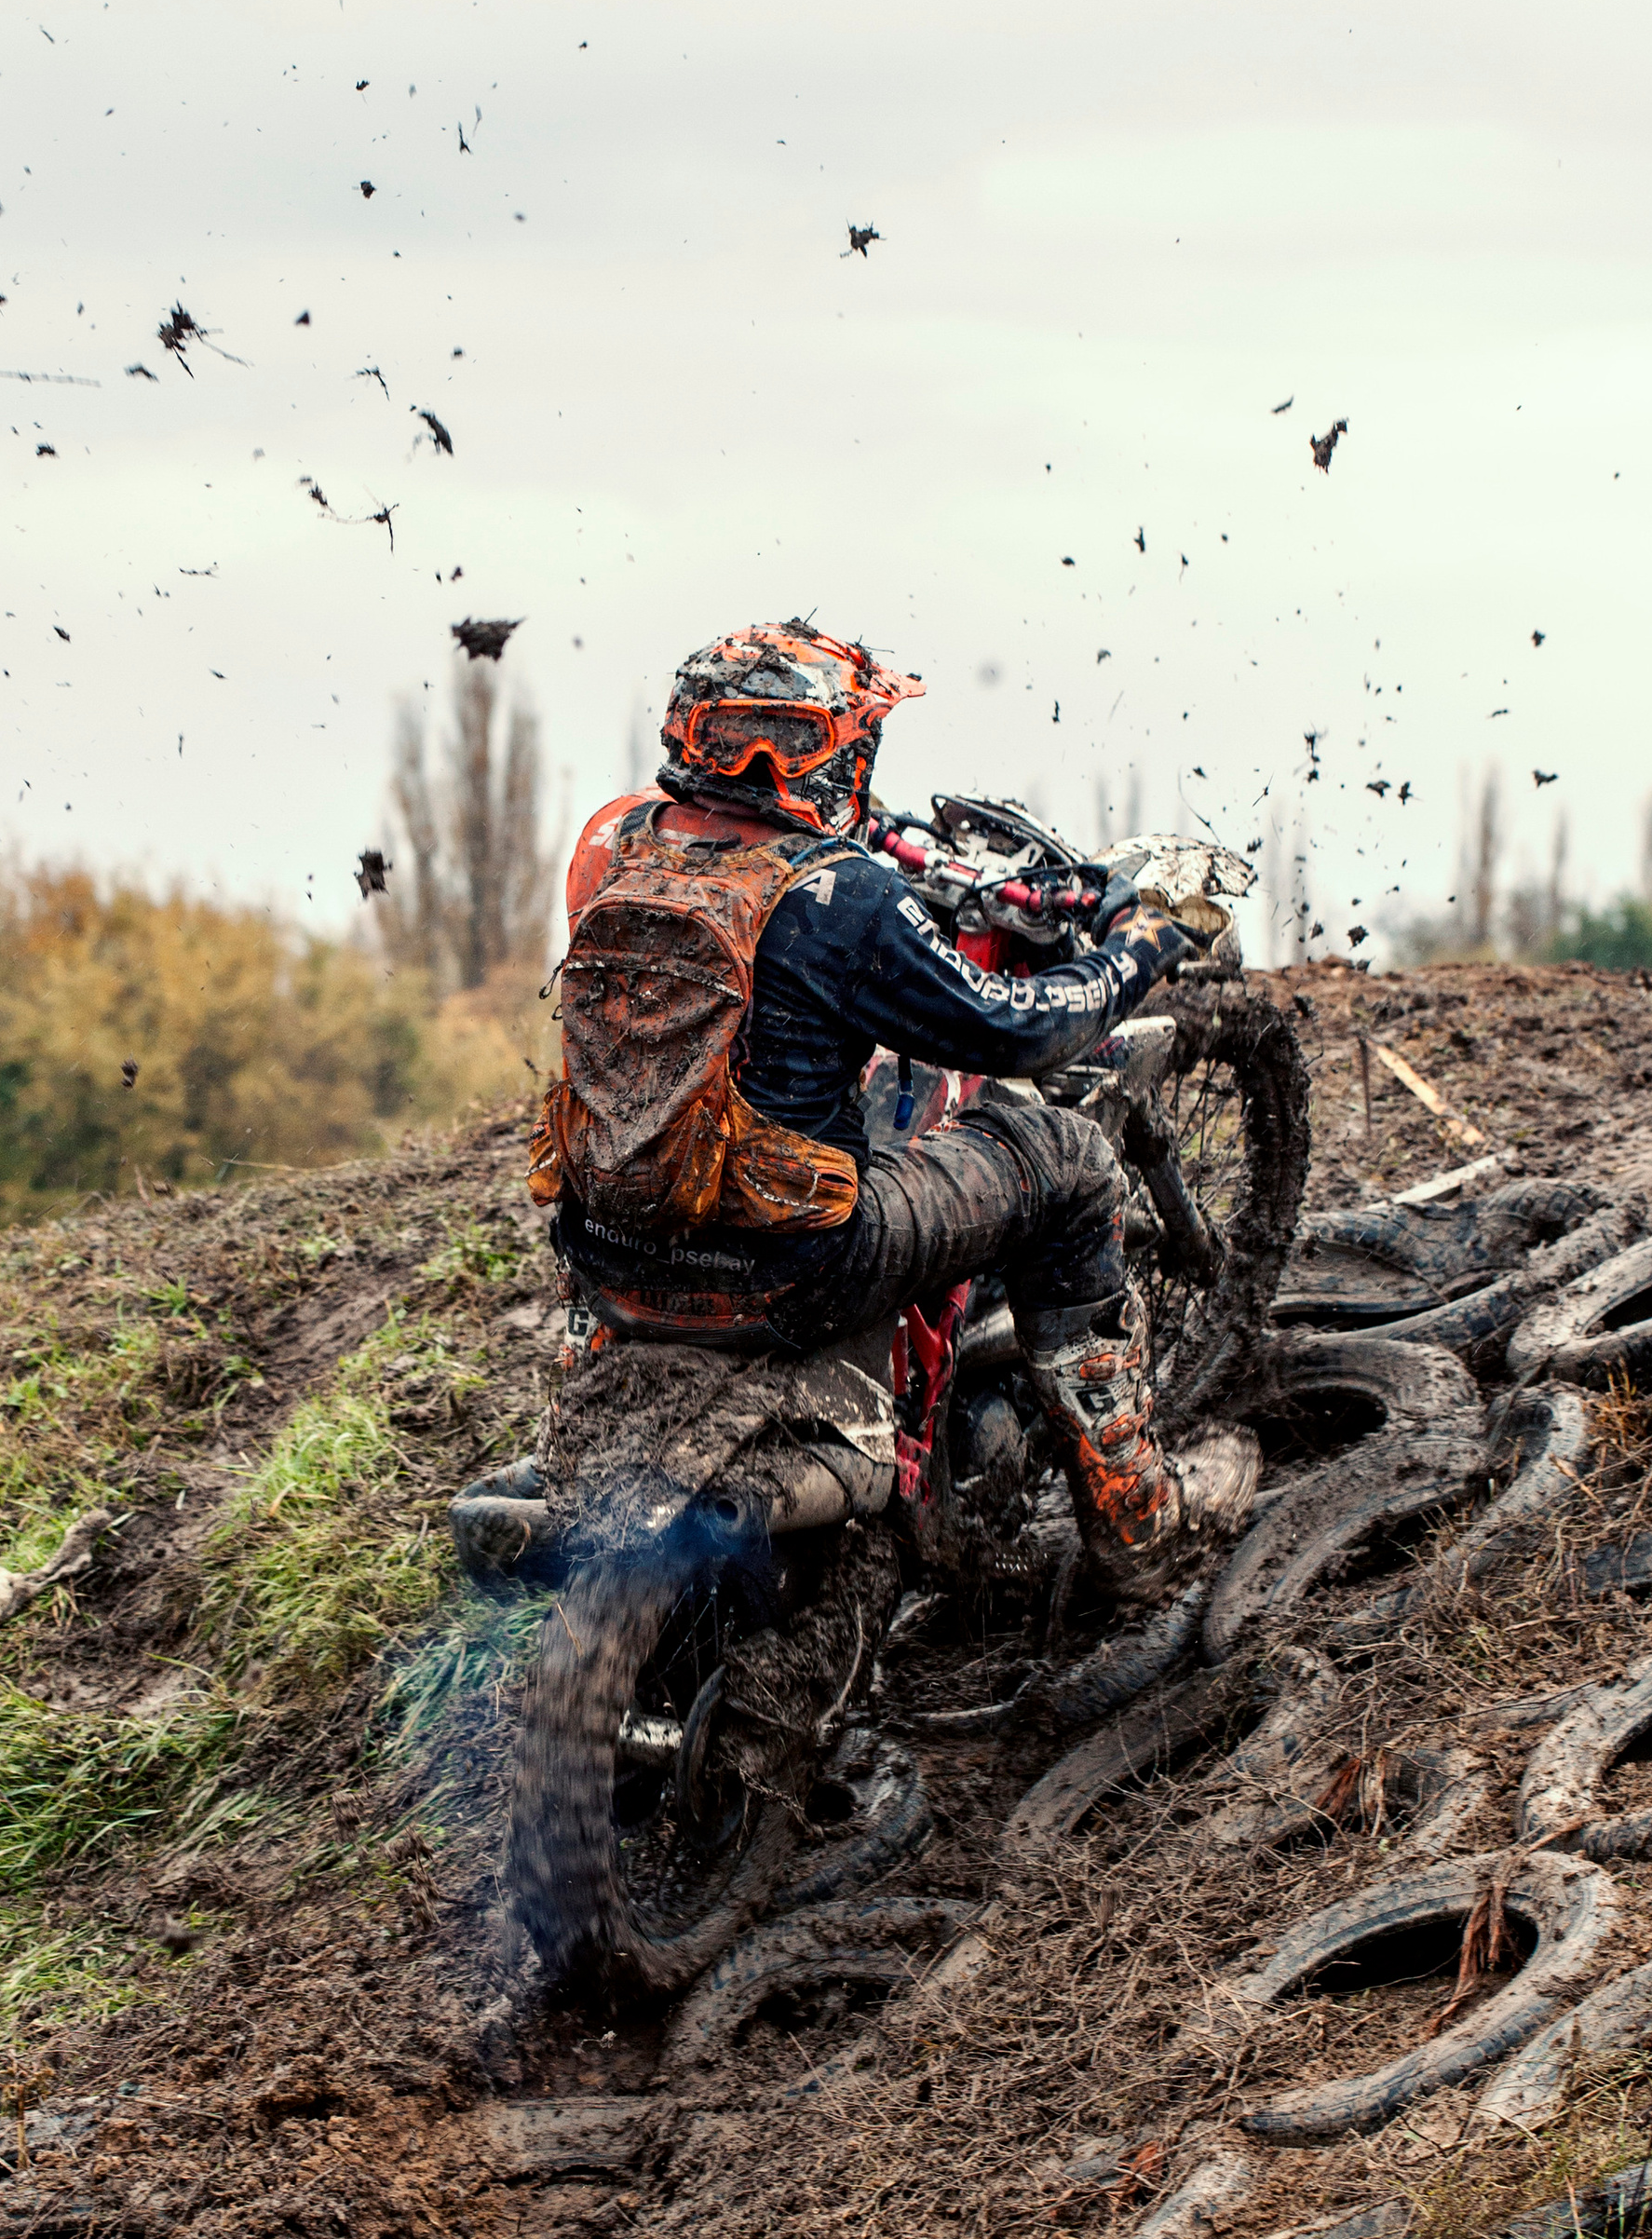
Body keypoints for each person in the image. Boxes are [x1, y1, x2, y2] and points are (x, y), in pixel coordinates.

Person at [521, 617, 1257, 1603]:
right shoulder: (845, 898)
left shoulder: (608, 846)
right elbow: (1019, 1032)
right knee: (1072, 1165)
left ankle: (594, 1398)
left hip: (606, 1253)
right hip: (799, 1271)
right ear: (832, 751)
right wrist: (1146, 943)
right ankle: (1136, 1515)